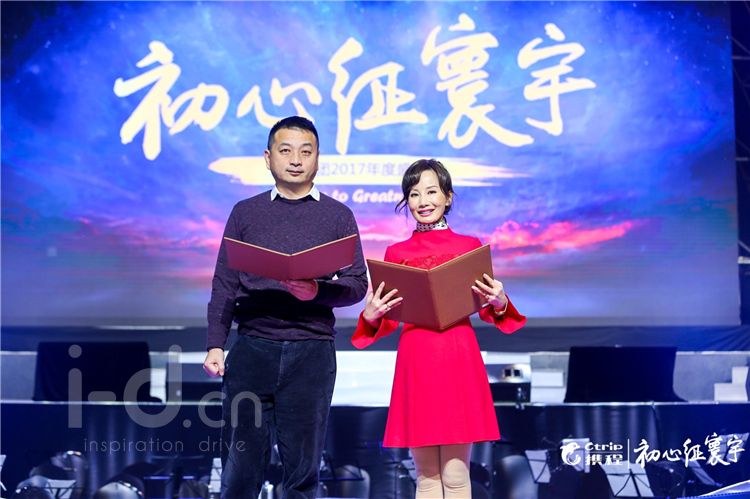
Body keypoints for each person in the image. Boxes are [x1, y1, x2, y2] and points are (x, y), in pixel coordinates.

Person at [203, 116, 368, 498]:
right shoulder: (245, 212)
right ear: (268, 157)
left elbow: (357, 284)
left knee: (302, 473)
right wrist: (215, 344)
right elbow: (225, 283)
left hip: (311, 352)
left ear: (318, 159)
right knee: (239, 470)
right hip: (252, 348)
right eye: (286, 150)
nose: (296, 160)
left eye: (305, 152)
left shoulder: (338, 215)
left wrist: (317, 291)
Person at [352, 159, 526, 498]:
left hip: (458, 355)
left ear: (448, 197)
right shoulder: (396, 252)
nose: (423, 201)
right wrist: (371, 315)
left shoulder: (469, 246)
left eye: (431, 191)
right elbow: (388, 317)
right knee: (426, 478)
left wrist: (500, 300)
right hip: (416, 359)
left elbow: (490, 308)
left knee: (456, 475)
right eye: (414, 194)